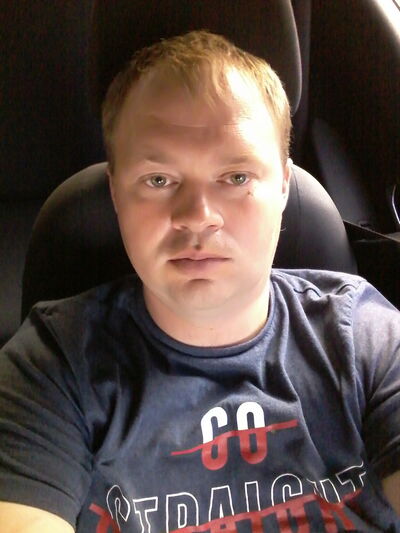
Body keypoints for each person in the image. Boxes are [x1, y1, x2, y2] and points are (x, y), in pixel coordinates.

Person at [0, 29, 399, 533]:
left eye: (236, 177)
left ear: (283, 186)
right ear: (116, 194)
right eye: (159, 180)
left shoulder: (365, 336)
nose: (197, 215)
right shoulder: (50, 366)